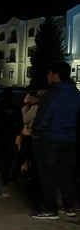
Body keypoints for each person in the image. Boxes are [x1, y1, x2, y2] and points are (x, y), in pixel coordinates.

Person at [30, 61, 80, 219]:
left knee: (48, 175)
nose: (47, 76)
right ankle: (69, 206)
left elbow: (42, 119)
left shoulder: (51, 95)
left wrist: (36, 131)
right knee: (66, 173)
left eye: (49, 73)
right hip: (70, 138)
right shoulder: (76, 93)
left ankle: (51, 209)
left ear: (55, 75)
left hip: (50, 138)